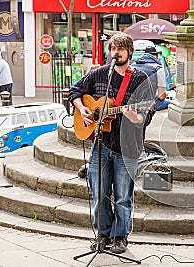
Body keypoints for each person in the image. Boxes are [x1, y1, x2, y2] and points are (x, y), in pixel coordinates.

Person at [69, 33, 154, 254]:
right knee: (99, 194)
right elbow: (75, 91)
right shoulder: (99, 75)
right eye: (113, 48)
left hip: (127, 148)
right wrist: (82, 109)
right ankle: (102, 235)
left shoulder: (140, 79)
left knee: (123, 197)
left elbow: (145, 116)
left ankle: (120, 238)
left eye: (121, 49)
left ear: (130, 52)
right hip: (101, 145)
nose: (116, 52)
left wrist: (132, 115)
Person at [132, 46, 170, 111]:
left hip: (131, 105)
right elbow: (161, 96)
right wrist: (165, 94)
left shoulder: (132, 66)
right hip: (147, 105)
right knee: (173, 104)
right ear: (156, 56)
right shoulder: (158, 69)